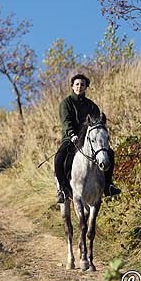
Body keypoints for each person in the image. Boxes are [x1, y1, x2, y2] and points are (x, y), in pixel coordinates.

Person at [54, 74, 121, 203]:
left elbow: (98, 122)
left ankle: (108, 186)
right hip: (71, 138)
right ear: (72, 86)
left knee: (110, 154)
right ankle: (62, 189)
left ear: (86, 87)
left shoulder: (92, 105)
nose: (80, 86)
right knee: (59, 158)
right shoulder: (66, 103)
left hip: (90, 140)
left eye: (82, 84)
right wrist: (72, 134)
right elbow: (65, 121)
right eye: (77, 84)